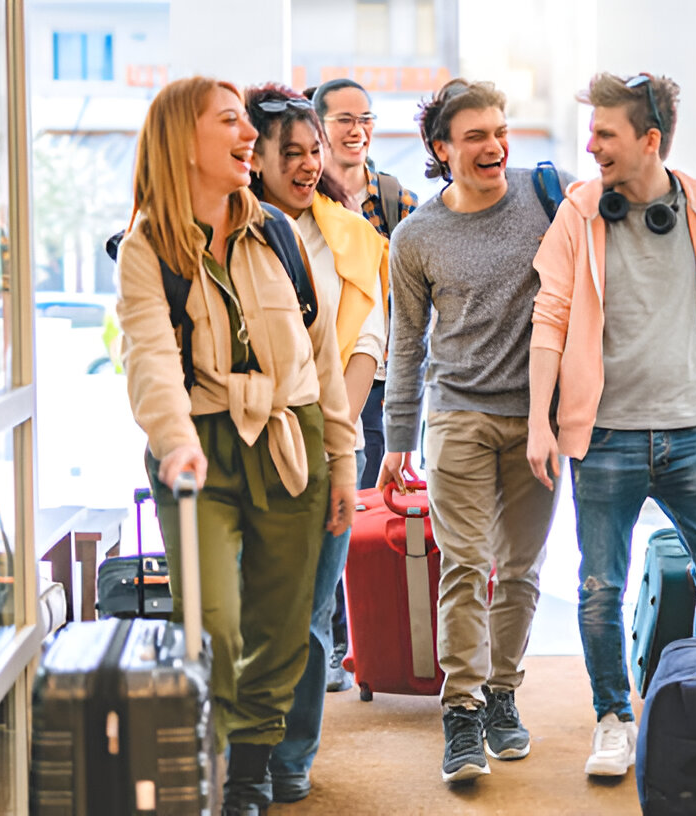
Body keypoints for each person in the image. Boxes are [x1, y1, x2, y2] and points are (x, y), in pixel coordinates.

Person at [114, 76, 356, 816]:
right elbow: (150, 358)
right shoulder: (148, 245)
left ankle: (249, 770)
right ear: (182, 141)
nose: (248, 134)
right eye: (229, 122)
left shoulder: (278, 232)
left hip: (291, 437)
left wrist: (343, 461)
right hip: (199, 448)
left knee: (282, 624)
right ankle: (216, 754)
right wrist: (176, 442)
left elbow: (320, 357)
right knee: (212, 621)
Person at [527, 71, 696, 779]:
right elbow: (551, 317)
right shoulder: (579, 212)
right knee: (601, 587)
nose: (590, 145)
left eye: (605, 133)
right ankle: (613, 720)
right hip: (604, 436)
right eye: (589, 131)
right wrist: (541, 421)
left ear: (650, 139)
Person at [377, 78, 569, 784]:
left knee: (519, 569)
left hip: (537, 420)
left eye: (499, 131)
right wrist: (398, 437)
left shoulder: (549, 198)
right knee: (463, 566)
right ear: (441, 149)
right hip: (456, 413)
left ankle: (502, 695)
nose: (494, 146)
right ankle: (459, 710)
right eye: (475, 136)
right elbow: (406, 344)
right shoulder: (416, 237)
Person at [243, 84, 387, 807]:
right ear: (254, 157)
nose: (306, 164)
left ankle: (290, 756)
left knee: (308, 611)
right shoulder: (232, 229)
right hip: (247, 437)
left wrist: (338, 431)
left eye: (313, 152)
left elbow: (368, 338)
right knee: (246, 608)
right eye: (290, 152)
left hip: (331, 440)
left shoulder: (352, 233)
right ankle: (245, 752)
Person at [308, 77, 419, 692]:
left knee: (369, 508)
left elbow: (411, 300)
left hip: (380, 379)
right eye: (345, 119)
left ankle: (359, 641)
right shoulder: (301, 199)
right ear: (318, 127)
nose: (358, 130)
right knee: (324, 506)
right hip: (319, 375)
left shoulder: (396, 200)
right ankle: (326, 639)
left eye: (367, 119)